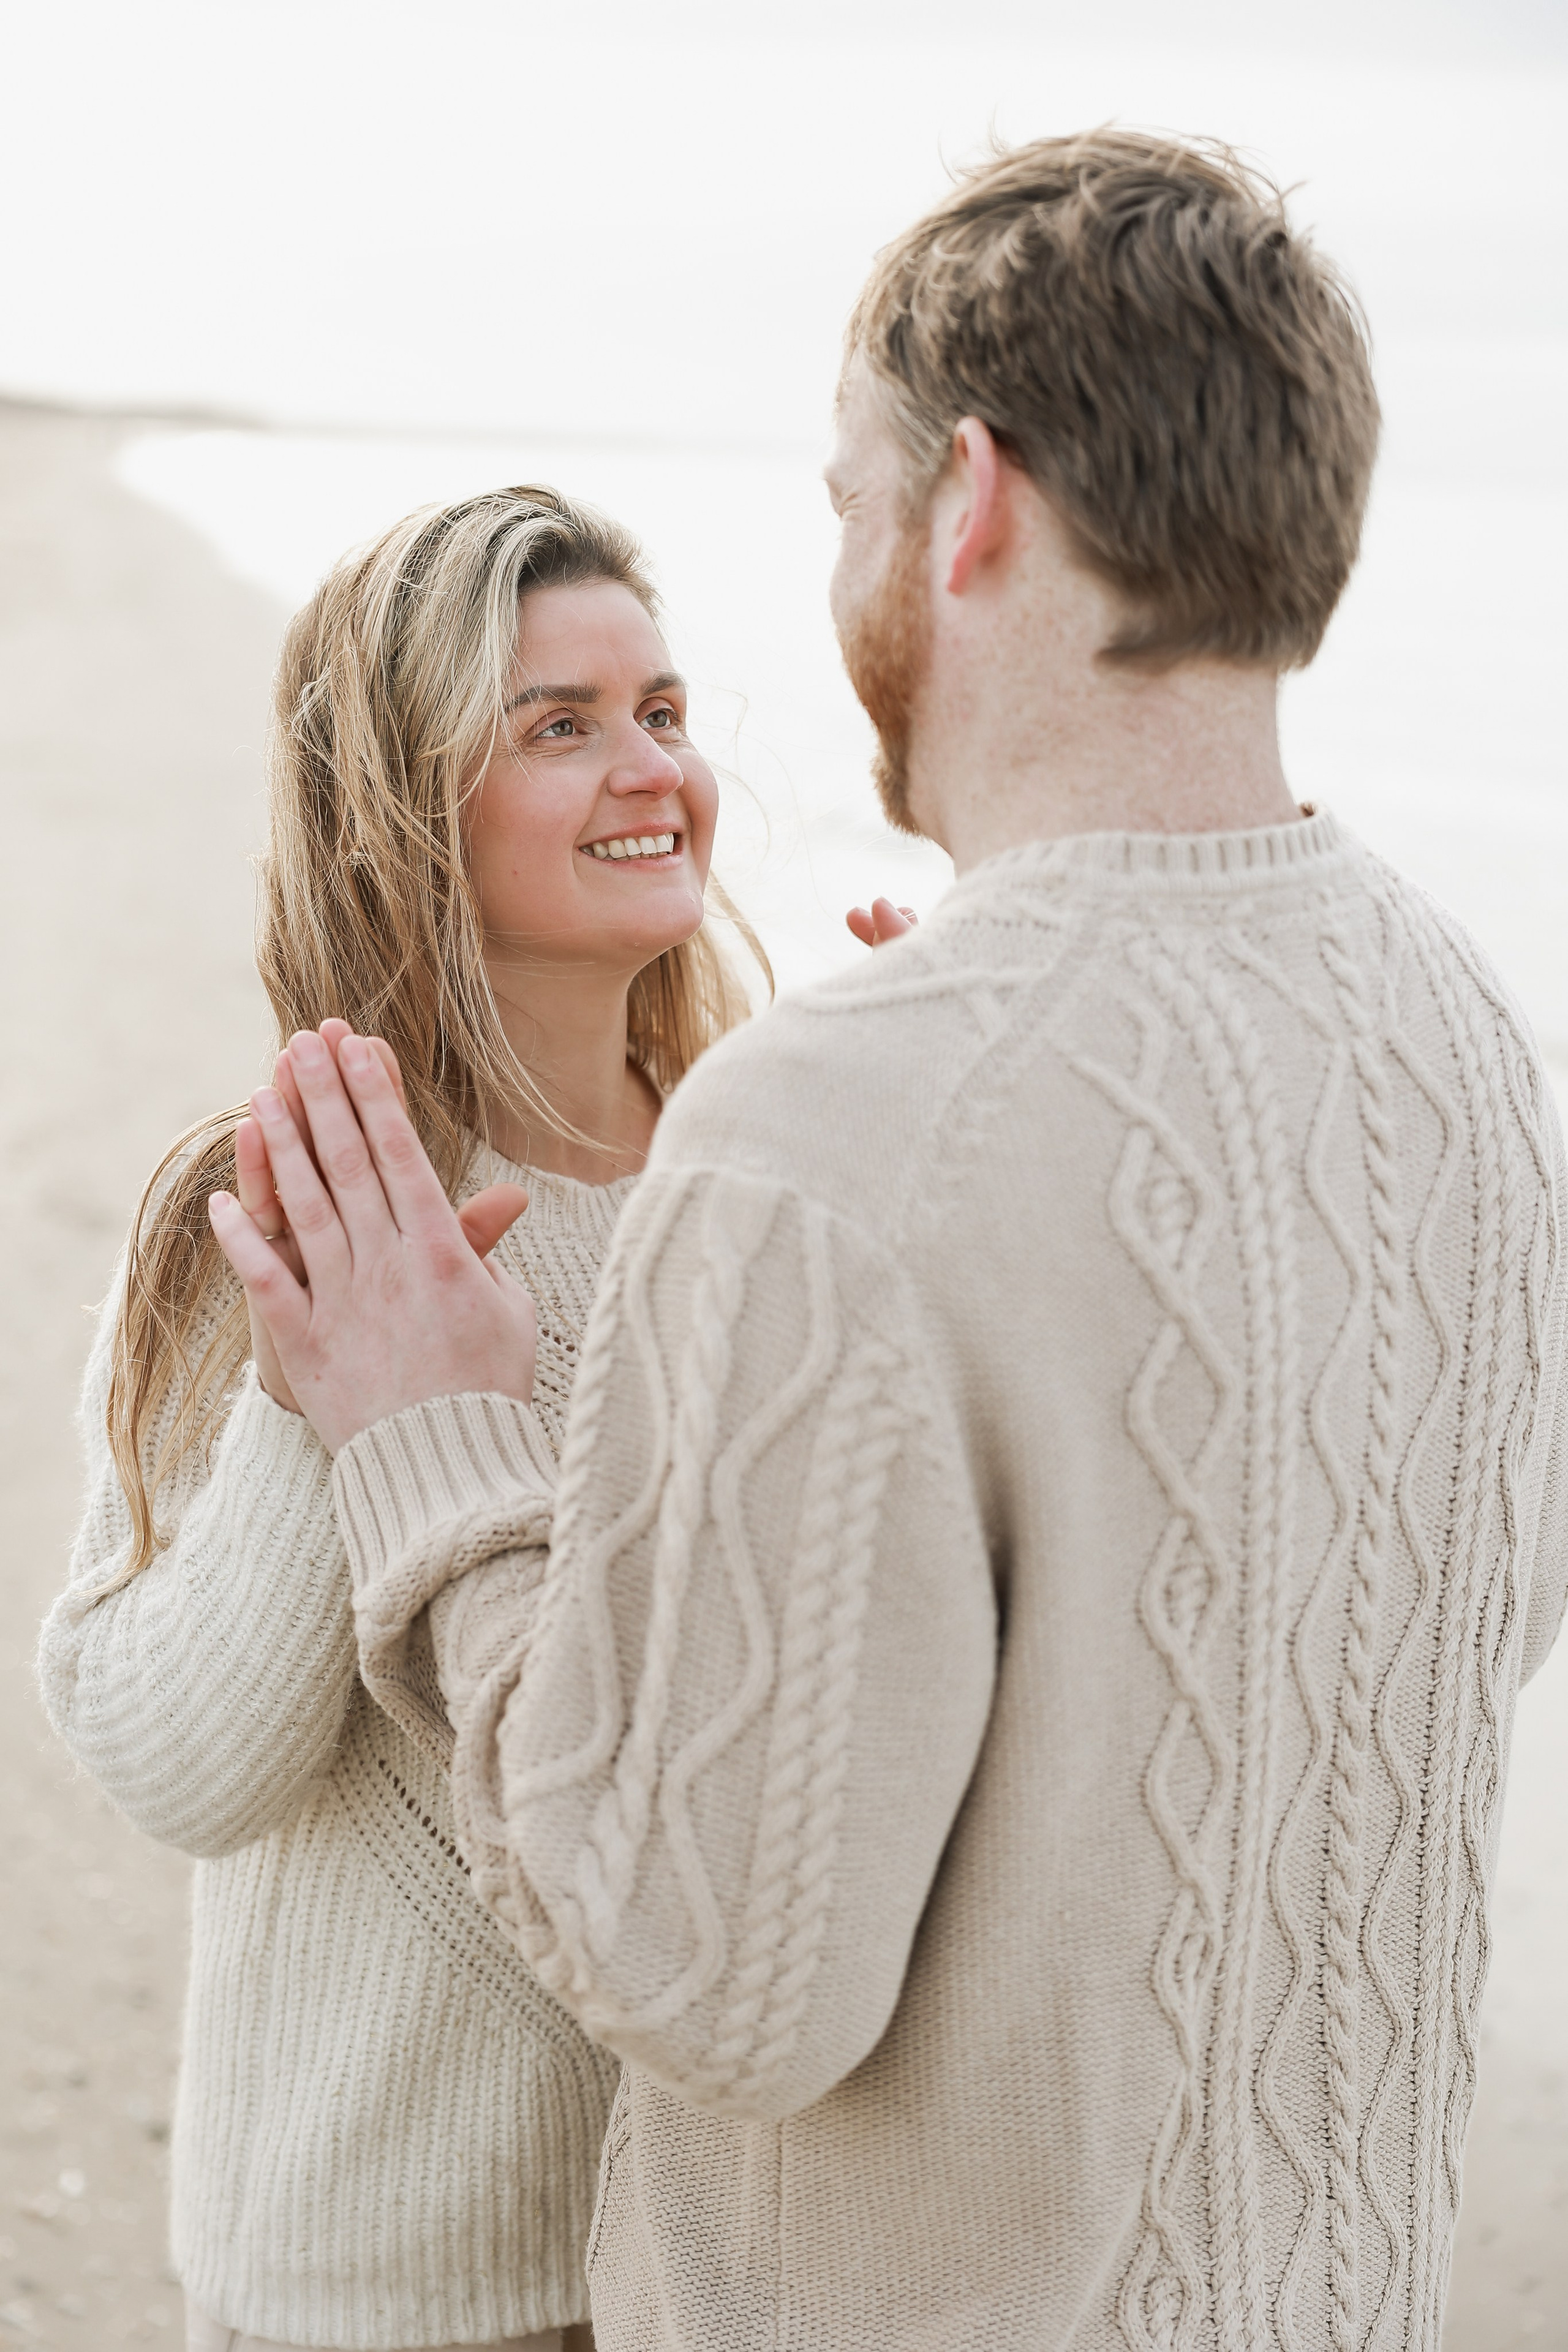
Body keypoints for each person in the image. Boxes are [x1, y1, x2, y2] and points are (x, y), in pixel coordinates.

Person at [211, 135, 1568, 2351]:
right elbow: (1394, 1650)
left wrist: (434, 1453)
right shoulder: (1464, 1032)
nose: (837, 560)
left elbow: (703, 1972)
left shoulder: (829, 1129)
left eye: (846, 498)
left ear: (974, 506)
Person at [38, 484, 774, 2352]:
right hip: (366, 2288)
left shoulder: (771, 1182)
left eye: (665, 711)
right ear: (402, 801)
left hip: (718, 2279)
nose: (652, 770)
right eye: (560, 723)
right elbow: (174, 1767)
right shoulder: (279, 1197)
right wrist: (318, 1410)